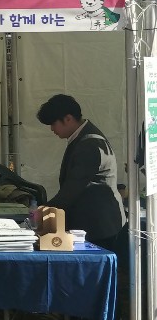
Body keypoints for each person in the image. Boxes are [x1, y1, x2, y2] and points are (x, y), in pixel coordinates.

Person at [36, 94, 126, 249]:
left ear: (68, 119)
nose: (52, 129)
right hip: (95, 220)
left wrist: (42, 212)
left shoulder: (90, 144)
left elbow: (72, 189)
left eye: (53, 123)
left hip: (99, 225)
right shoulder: (84, 137)